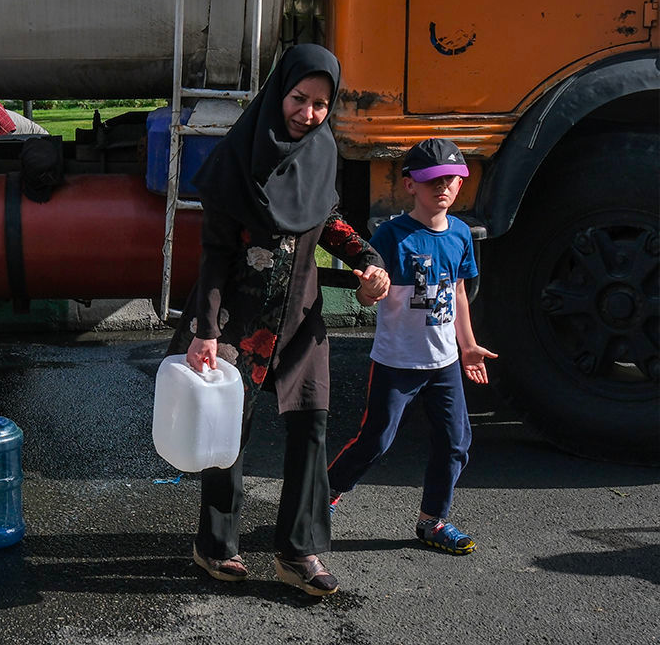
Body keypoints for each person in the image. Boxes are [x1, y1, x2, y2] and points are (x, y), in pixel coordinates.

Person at [167, 43, 390, 597]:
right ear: (278, 93)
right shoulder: (235, 162)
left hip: (301, 318)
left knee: (311, 428)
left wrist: (367, 259)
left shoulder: (321, 151)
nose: (309, 114)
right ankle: (216, 545)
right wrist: (207, 331)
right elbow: (215, 255)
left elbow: (327, 219)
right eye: (299, 98)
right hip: (238, 318)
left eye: (321, 104)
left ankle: (299, 552)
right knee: (227, 435)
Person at [327, 138, 497, 555]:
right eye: (432, 180)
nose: (443, 188)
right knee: (376, 441)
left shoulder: (459, 234)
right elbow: (368, 295)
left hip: (445, 363)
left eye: (452, 180)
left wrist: (469, 346)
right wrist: (368, 289)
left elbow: (457, 292)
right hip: (396, 362)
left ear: (461, 185)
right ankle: (321, 498)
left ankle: (432, 521)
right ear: (410, 185)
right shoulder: (391, 236)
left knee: (456, 442)